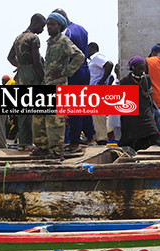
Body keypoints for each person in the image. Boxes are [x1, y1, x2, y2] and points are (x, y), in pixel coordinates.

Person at [30, 12, 85, 159]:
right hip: (47, 85)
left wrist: (66, 71)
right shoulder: (51, 42)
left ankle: (56, 151)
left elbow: (79, 56)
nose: (49, 27)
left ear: (59, 26)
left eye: (52, 24)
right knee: (39, 118)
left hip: (58, 86)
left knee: (55, 121)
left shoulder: (63, 41)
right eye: (48, 25)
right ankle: (42, 147)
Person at [52, 8, 94, 151]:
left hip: (74, 71)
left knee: (74, 107)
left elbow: (71, 54)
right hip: (85, 70)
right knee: (84, 105)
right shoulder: (82, 29)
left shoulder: (66, 33)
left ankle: (74, 141)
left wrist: (65, 71)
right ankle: (90, 137)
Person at [8, 13, 46, 151]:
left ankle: (23, 143)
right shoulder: (33, 38)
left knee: (23, 111)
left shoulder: (19, 37)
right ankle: (36, 143)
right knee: (37, 110)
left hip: (21, 76)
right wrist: (44, 79)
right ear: (35, 22)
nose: (43, 30)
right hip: (32, 75)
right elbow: (37, 62)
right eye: (42, 26)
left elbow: (10, 57)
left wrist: (20, 66)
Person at [117, 56, 160, 151]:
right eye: (139, 68)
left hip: (145, 110)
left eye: (143, 68)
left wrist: (154, 106)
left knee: (152, 131)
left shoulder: (146, 79)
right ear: (133, 68)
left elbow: (149, 94)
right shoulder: (125, 81)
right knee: (131, 134)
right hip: (131, 113)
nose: (142, 71)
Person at [88, 42, 114, 144]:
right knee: (95, 117)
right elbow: (111, 77)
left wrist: (101, 82)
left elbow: (109, 64)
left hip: (96, 89)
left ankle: (101, 139)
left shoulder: (96, 57)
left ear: (90, 49)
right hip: (95, 90)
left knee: (98, 116)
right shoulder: (93, 61)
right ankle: (97, 138)